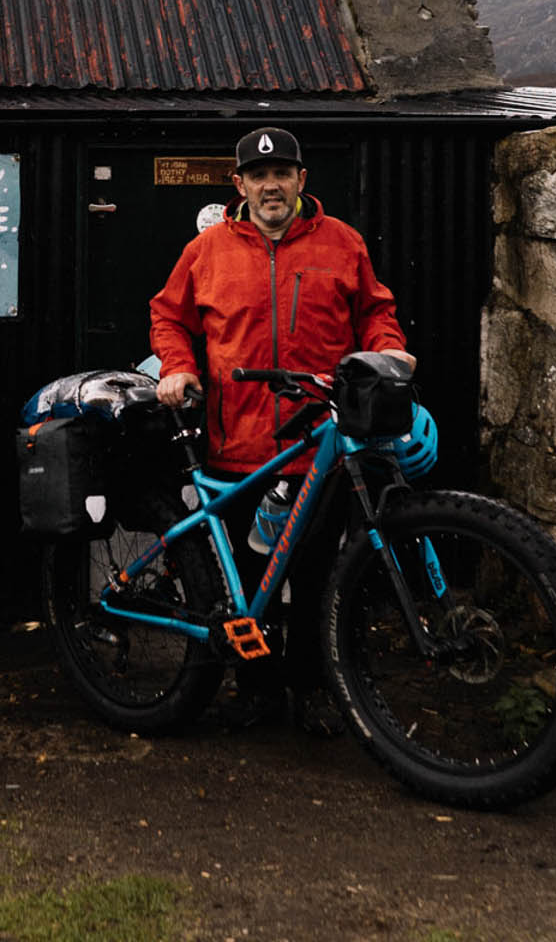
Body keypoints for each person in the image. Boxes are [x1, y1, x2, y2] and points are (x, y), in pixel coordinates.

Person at [147, 125, 414, 724]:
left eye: (282, 173)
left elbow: (376, 312)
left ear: (301, 180)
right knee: (246, 576)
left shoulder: (342, 244)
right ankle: (259, 688)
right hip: (236, 445)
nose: (272, 185)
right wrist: (178, 366)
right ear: (239, 185)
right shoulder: (207, 250)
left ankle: (314, 687)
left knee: (320, 574)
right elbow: (167, 316)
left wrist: (389, 349)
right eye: (259, 175)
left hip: (319, 444)